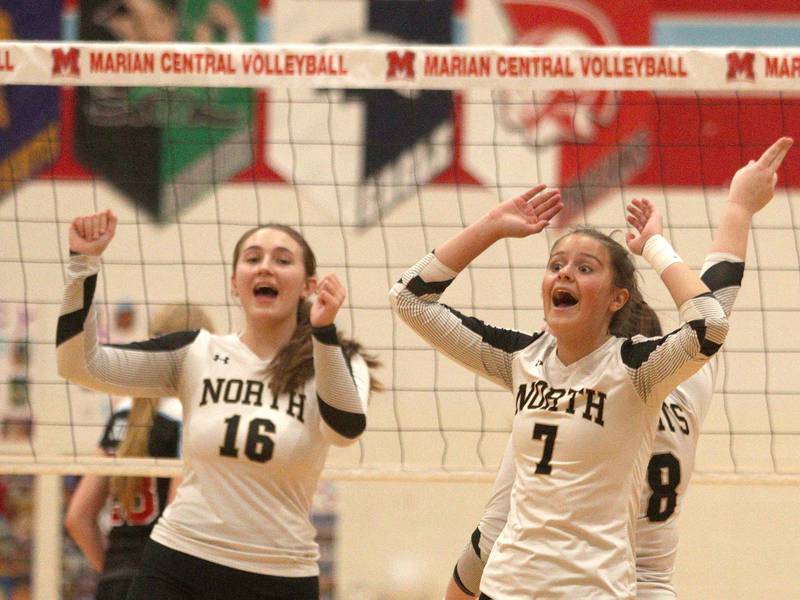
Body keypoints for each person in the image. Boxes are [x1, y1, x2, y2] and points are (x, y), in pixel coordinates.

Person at [437, 136, 793, 600]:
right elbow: (713, 300)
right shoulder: (688, 382)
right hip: (645, 583)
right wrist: (738, 208)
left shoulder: (563, 392)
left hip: (589, 575)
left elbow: (496, 523)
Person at [390, 169, 734, 597]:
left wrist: (652, 247)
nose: (564, 274)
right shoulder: (522, 359)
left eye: (584, 268)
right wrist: (491, 226)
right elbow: (409, 299)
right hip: (507, 587)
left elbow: (710, 326)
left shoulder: (637, 370)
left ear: (617, 298)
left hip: (592, 589)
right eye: (556, 265)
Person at [57, 216, 380, 600]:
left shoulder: (336, 361)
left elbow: (345, 430)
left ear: (309, 285)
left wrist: (324, 331)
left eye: (282, 260)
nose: (265, 267)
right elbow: (79, 365)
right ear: (234, 283)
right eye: (253, 257)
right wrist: (83, 265)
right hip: (179, 561)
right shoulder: (196, 353)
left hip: (279, 573)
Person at [65, 304, 214, 600]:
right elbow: (179, 516)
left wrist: (114, 571)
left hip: (114, 583)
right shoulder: (190, 416)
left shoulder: (123, 412)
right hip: (166, 583)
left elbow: (78, 518)